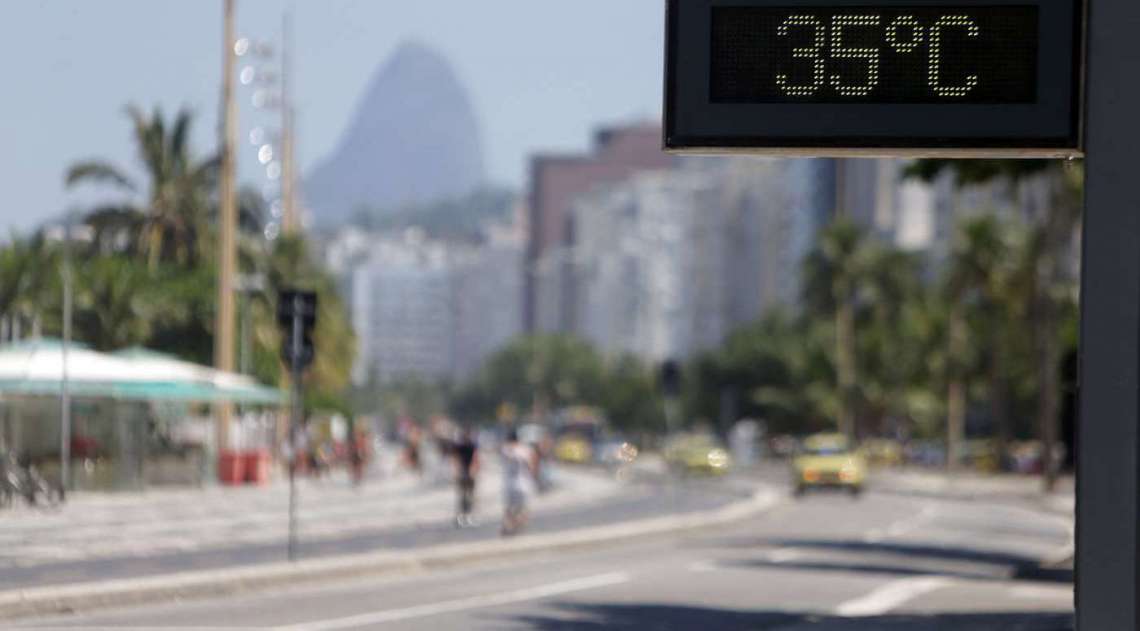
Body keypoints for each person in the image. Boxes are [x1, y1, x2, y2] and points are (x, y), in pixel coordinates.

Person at [500, 429, 536, 536]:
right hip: (523, 482)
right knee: (523, 509)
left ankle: (511, 525)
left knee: (510, 508)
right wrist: (533, 475)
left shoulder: (506, 449)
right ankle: (516, 525)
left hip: (510, 483)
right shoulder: (525, 450)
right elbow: (531, 464)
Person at [452, 426, 480, 527]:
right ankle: (462, 516)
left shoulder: (471, 445)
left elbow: (475, 458)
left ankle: (469, 515)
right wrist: (457, 471)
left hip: (469, 472)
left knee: (470, 495)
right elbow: (456, 459)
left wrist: (473, 470)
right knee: (463, 495)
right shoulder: (461, 446)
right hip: (463, 472)